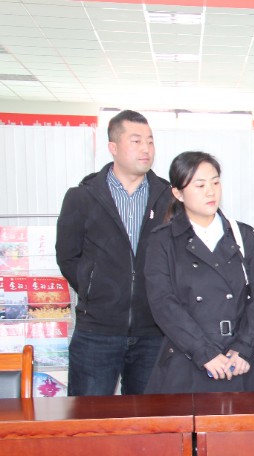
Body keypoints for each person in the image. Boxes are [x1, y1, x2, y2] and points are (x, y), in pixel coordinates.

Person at [56, 110, 171, 396]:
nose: (146, 149)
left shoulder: (169, 198)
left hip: (154, 331)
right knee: (89, 416)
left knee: (151, 417)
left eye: (150, 141)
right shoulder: (82, 197)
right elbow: (67, 256)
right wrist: (94, 288)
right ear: (113, 147)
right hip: (96, 331)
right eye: (136, 141)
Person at [143, 151, 254, 393]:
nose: (210, 191)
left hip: (241, 360)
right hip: (188, 359)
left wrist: (243, 348)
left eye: (215, 182)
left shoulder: (242, 235)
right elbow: (163, 302)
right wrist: (204, 353)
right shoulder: (163, 240)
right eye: (200, 185)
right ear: (178, 193)